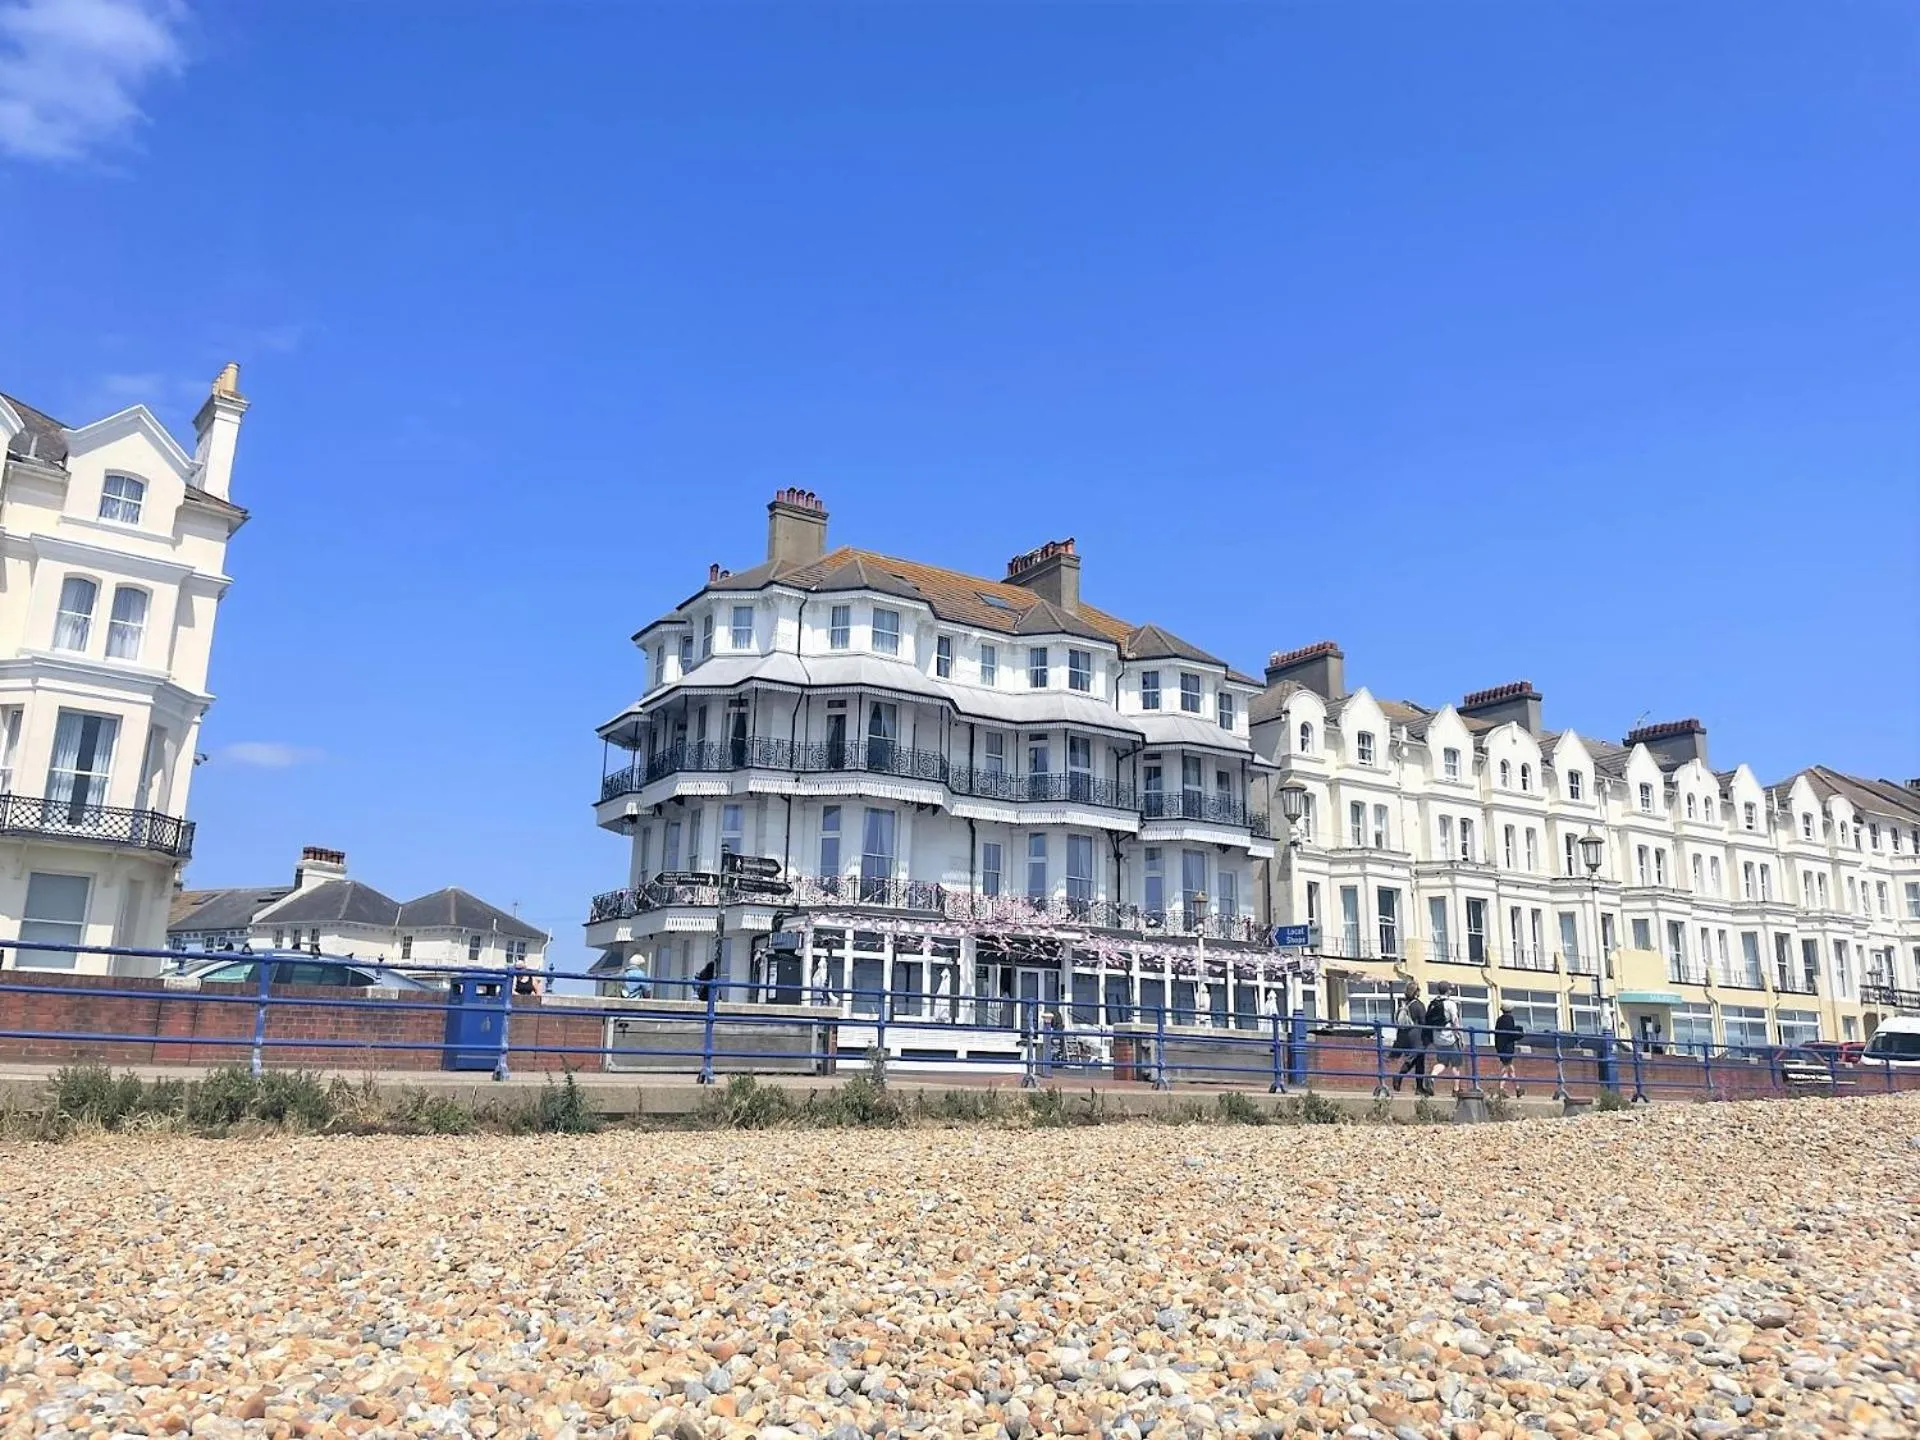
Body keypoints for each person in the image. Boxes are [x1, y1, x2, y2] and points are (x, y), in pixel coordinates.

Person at [1427, 981, 1465, 1095]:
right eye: (1450, 989)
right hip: (1450, 1037)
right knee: (1456, 1064)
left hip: (1437, 1037)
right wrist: (1460, 1036)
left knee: (1442, 1062)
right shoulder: (1450, 1004)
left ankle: (1432, 1078)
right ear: (1447, 990)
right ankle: (1456, 1089)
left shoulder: (1433, 1003)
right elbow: (1455, 1021)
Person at [1390, 980, 1428, 1095]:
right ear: (1416, 992)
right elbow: (1423, 1021)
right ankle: (1400, 1077)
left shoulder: (1404, 1004)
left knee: (1418, 1060)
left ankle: (1419, 1087)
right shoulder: (1418, 1005)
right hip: (1417, 1035)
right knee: (1416, 1059)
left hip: (1406, 1035)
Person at [1494, 1004, 1523, 1098]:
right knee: (1506, 1068)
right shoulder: (1510, 1019)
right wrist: (1519, 1031)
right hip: (1507, 1046)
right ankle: (1501, 1089)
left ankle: (1518, 1089)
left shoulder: (1499, 1019)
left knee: (1510, 1068)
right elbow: (1511, 1033)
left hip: (1500, 1046)